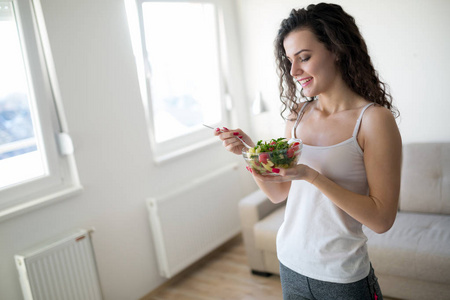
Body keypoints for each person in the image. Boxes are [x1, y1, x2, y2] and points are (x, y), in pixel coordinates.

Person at [215, 3, 402, 300]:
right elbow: (279, 193)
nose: (293, 71)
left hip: (342, 275)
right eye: (289, 60)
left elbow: (381, 220)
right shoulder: (297, 116)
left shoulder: (373, 120)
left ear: (337, 50)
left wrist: (312, 176)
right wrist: (248, 151)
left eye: (304, 57)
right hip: (290, 263)